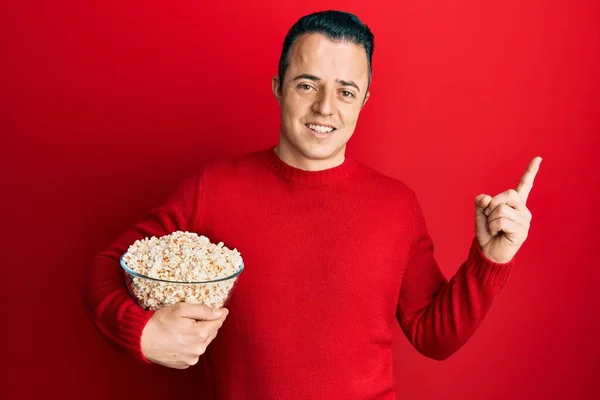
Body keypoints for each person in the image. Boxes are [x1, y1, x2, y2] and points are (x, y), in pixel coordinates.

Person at [82, 9, 542, 399]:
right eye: (307, 84)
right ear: (279, 85)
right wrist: (141, 332)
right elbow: (107, 266)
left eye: (345, 90)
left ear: (364, 98)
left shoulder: (396, 204)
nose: (326, 107)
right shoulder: (213, 189)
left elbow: (433, 336)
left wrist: (490, 259)